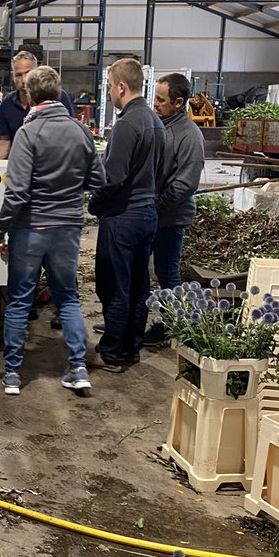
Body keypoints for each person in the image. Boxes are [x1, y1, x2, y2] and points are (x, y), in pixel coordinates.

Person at [0, 66, 106, 395]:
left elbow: (17, 192)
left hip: (31, 228)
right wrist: (69, 185)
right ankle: (78, 367)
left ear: (29, 96)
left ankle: (13, 374)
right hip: (67, 228)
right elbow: (99, 179)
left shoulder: (28, 133)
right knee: (67, 297)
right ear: (59, 93)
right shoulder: (80, 131)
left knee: (19, 300)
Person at [89, 58, 166, 371]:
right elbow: (161, 172)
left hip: (122, 215)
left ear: (121, 86)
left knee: (115, 287)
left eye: (109, 86)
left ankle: (113, 352)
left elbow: (113, 178)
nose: (109, 92)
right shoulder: (155, 122)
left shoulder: (126, 124)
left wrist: (95, 203)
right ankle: (132, 347)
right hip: (147, 214)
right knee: (138, 287)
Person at [145, 73, 205, 346]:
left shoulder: (189, 135)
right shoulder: (159, 125)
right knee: (140, 269)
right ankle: (131, 320)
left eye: (161, 100)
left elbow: (185, 183)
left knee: (166, 271)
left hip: (170, 217)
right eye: (155, 98)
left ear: (179, 102)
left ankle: (171, 326)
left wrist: (157, 207)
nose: (155, 104)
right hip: (151, 213)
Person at [0, 51, 75, 159]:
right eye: (18, 75)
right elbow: (4, 143)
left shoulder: (58, 96)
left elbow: (70, 135)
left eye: (28, 73)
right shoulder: (7, 103)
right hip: (20, 162)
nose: (24, 80)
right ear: (13, 76)